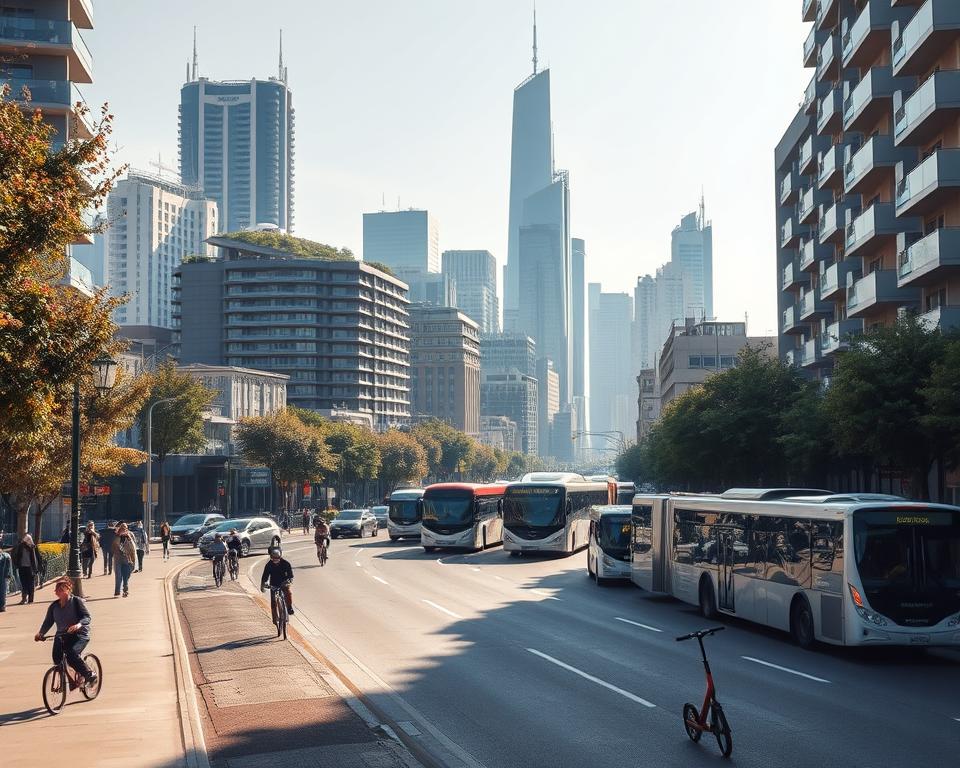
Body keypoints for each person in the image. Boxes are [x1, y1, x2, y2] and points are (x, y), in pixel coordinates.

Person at [34, 577, 97, 687]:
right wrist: (41, 633)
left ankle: (89, 674)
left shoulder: (76, 601)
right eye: (58, 589)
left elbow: (87, 617)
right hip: (62, 636)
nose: (60, 591)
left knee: (71, 654)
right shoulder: (54, 606)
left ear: (69, 588)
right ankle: (70, 679)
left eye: (63, 588)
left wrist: (78, 625)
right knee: (57, 659)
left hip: (80, 635)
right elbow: (48, 621)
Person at [260, 548, 294, 616]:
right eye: (274, 558)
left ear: (280, 557)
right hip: (274, 584)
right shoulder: (268, 565)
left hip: (284, 582)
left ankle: (289, 607)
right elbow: (265, 577)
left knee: (288, 592)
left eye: (277, 558)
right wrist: (263, 585)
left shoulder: (286, 564)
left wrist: (289, 581)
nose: (275, 560)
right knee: (273, 600)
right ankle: (275, 617)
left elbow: (290, 575)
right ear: (271, 558)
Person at [12, 534, 40, 605]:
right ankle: (24, 598)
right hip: (22, 567)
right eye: (25, 539)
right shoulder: (20, 546)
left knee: (30, 584)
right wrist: (17, 563)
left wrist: (36, 568)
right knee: (23, 583)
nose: (26, 541)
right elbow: (15, 554)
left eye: (28, 539)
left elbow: (36, 558)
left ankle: (30, 599)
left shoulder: (33, 547)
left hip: (30, 568)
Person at [112, 523, 137, 598]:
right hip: (118, 558)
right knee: (118, 575)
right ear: (120, 528)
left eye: (125, 528)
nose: (124, 529)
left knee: (126, 575)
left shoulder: (130, 535)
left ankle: (125, 590)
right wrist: (119, 536)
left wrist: (129, 538)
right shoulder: (116, 535)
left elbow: (133, 546)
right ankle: (117, 592)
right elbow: (113, 546)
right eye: (122, 528)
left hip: (127, 558)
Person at [0, 544, 11, 612]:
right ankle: (2, 606)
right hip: (4, 576)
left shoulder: (5, 556)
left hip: (3, 576)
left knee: (3, 591)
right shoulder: (6, 556)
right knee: (3, 591)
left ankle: (2, 606)